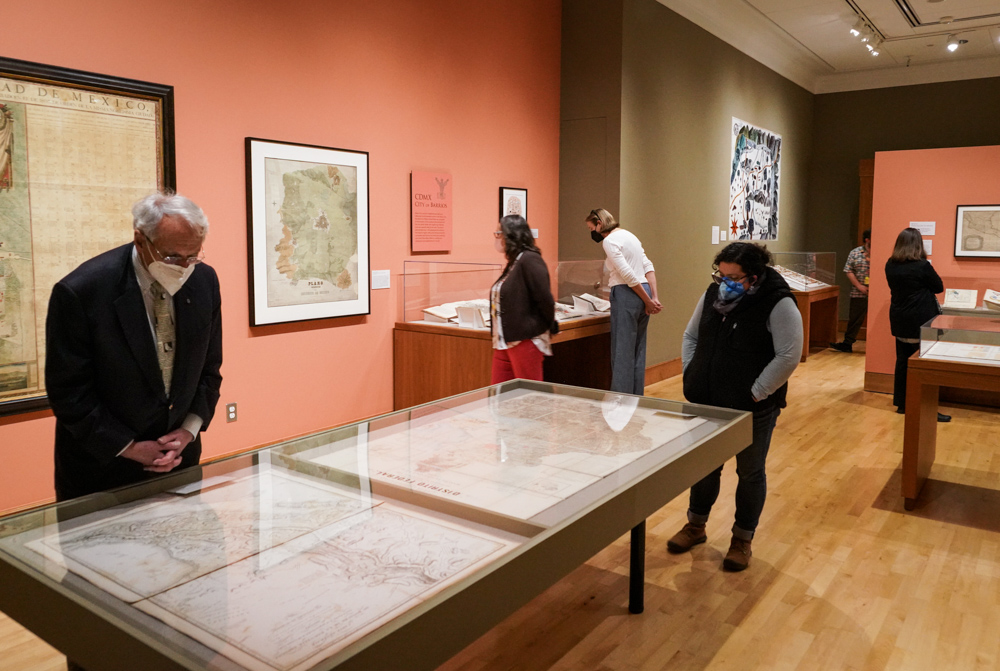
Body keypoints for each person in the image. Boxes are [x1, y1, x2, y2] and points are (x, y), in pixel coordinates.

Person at [46, 192, 223, 502]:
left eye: (193, 255)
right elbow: (69, 393)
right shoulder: (81, 292)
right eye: (172, 257)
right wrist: (129, 447)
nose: (183, 267)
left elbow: (209, 367)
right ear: (140, 240)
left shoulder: (204, 281)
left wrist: (189, 430)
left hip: (181, 461)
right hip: (103, 470)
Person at [667, 242, 802, 571]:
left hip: (751, 408)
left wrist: (756, 392)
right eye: (720, 274)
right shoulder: (713, 294)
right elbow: (690, 336)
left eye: (734, 277)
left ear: (754, 278)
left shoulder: (778, 302)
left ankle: (742, 539)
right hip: (707, 400)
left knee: (750, 472)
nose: (724, 282)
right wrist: (691, 372)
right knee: (704, 467)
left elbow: (788, 355)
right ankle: (695, 527)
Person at [585, 209, 661, 395]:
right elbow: (647, 266)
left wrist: (647, 299)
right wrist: (653, 297)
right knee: (638, 348)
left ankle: (621, 400)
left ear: (599, 224)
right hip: (644, 290)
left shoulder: (609, 241)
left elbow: (627, 274)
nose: (591, 232)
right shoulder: (629, 235)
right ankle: (636, 397)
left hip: (627, 292)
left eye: (591, 227)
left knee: (622, 351)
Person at [885, 227, 949, 422]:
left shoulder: (890, 264)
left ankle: (903, 404)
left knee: (902, 361)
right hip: (920, 320)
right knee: (923, 365)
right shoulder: (921, 266)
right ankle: (924, 406)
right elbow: (938, 287)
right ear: (918, 245)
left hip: (899, 318)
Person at [489, 214, 557, 383]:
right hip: (504, 340)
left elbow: (544, 298)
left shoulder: (530, 259)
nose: (497, 238)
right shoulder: (514, 262)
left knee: (529, 397)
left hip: (525, 340)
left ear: (511, 235)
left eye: (499, 233)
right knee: (500, 396)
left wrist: (550, 324)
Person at [830, 229, 871, 353]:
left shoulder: (882, 252)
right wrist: (859, 286)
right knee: (855, 318)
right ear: (867, 240)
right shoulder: (855, 252)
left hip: (877, 292)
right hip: (858, 291)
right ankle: (847, 343)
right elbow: (848, 270)